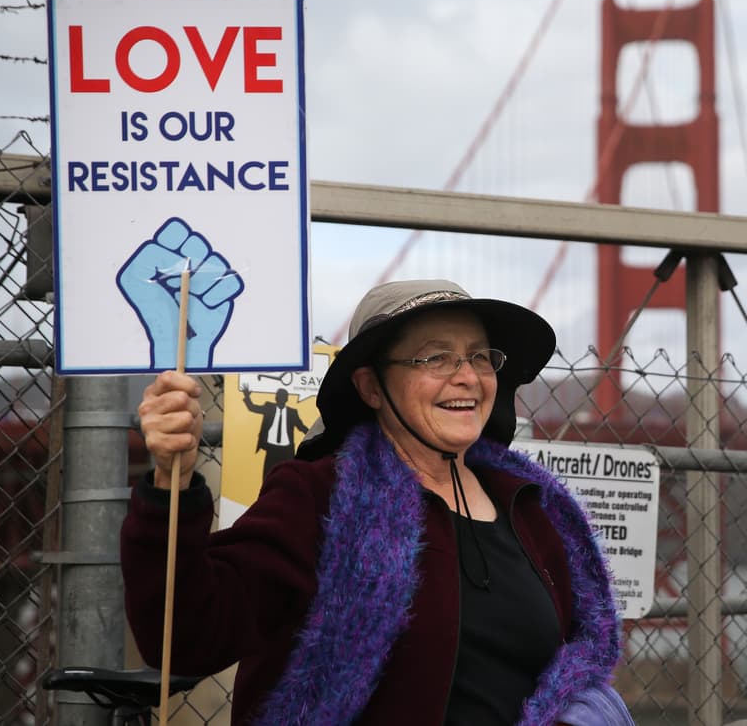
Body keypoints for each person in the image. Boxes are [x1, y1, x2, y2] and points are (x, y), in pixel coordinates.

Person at [121, 279, 634, 725]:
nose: (467, 376)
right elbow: (187, 632)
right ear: (370, 387)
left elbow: (574, 667)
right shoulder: (319, 497)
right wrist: (173, 483)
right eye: (435, 356)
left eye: (480, 356)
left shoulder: (534, 509)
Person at [241, 385, 309, 476]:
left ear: (286, 399)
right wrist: (247, 396)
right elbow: (253, 408)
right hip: (271, 448)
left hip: (287, 450)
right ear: (276, 397)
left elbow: (301, 427)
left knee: (288, 475)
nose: (281, 398)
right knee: (268, 475)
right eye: (279, 396)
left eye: (283, 396)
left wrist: (315, 435)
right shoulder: (269, 408)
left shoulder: (292, 413)